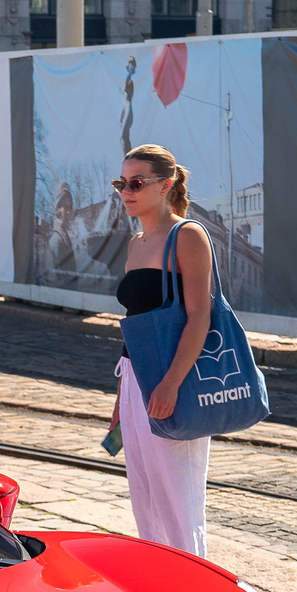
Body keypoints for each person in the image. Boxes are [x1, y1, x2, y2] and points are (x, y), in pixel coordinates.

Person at [108, 144, 214, 555]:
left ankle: (196, 587)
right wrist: (121, 396)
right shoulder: (137, 243)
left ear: (166, 185)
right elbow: (134, 324)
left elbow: (199, 317)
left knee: (178, 499)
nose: (126, 192)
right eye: (122, 183)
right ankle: (159, 580)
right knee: (146, 495)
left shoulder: (186, 235)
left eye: (136, 183)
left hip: (174, 378)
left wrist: (171, 383)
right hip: (135, 376)